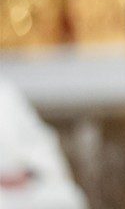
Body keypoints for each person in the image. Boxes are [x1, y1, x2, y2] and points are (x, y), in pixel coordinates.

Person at [0, 79, 88, 209]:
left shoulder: (6, 93)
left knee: (66, 197)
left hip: (23, 185)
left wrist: (29, 173)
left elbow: (41, 143)